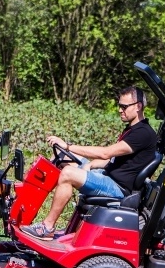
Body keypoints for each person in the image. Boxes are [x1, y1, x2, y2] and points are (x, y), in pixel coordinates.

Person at [20, 86, 157, 240]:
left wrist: (68, 146)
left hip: (118, 188)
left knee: (68, 174)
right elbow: (112, 160)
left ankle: (47, 227)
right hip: (108, 176)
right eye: (119, 106)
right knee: (63, 157)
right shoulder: (133, 129)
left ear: (138, 106)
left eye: (124, 107)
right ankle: (24, 209)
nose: (120, 110)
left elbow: (106, 153)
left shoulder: (143, 133)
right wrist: (90, 165)